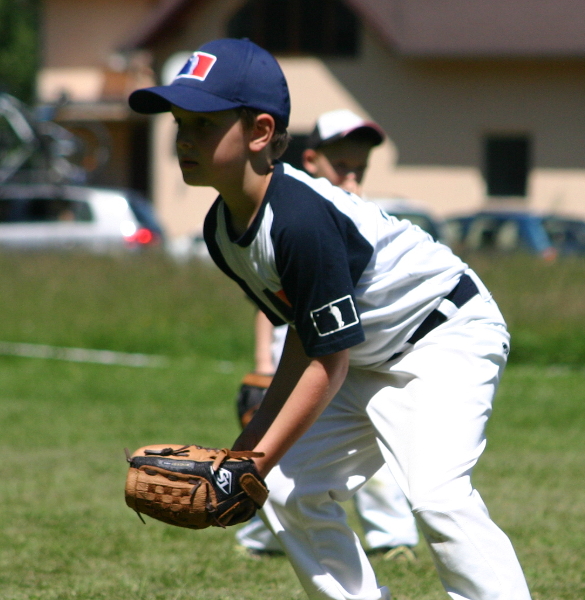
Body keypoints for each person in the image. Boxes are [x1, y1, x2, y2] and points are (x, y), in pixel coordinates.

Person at [129, 38, 532, 600]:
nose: (184, 138)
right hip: (368, 350)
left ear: (261, 132)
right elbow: (306, 337)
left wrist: (247, 462)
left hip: (445, 334)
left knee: (437, 495)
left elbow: (327, 359)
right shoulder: (223, 233)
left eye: (203, 123)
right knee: (291, 489)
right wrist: (243, 455)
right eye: (180, 123)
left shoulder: (298, 220)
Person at [235, 109, 419, 560]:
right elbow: (272, 308)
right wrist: (263, 362)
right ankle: (259, 535)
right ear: (312, 159)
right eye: (342, 166)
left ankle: (391, 536)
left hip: (350, 349)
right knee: (283, 448)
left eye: (360, 168)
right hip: (297, 351)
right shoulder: (290, 211)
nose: (352, 177)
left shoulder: (361, 215)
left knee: (372, 438)